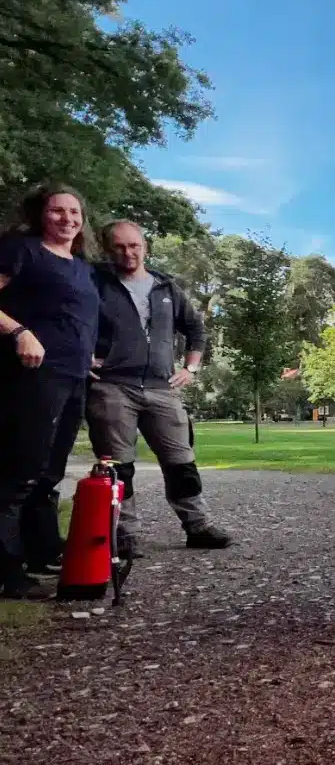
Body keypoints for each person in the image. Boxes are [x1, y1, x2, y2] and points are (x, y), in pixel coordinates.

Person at [86, 220, 232, 553]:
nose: (128, 253)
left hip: (162, 388)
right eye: (120, 247)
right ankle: (125, 536)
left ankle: (198, 526)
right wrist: (83, 358)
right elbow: (71, 320)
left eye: (134, 246)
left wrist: (191, 368)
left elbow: (197, 330)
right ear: (109, 250)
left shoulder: (166, 287)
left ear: (145, 247)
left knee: (181, 460)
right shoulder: (94, 283)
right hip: (111, 386)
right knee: (117, 466)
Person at [0, 185, 99, 600]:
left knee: (50, 472)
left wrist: (87, 358)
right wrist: (20, 332)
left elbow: (74, 317)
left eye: (74, 212)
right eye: (57, 211)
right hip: (32, 375)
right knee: (20, 471)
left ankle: (42, 552)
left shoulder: (81, 266)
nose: (67, 219)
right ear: (42, 214)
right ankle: (6, 569)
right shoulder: (21, 250)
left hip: (73, 376)